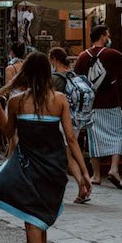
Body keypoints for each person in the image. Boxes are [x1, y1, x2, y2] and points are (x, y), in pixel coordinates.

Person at [0, 52, 91, 243]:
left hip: (28, 166)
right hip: (54, 167)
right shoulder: (60, 100)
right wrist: (84, 173)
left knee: (32, 222)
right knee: (40, 222)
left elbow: (9, 133)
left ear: (27, 74)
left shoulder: (17, 102)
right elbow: (71, 139)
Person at [75, 24, 122, 189]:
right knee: (117, 134)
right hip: (111, 103)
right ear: (103, 36)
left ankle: (96, 175)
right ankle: (114, 169)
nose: (108, 38)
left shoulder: (82, 56)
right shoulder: (111, 54)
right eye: (107, 35)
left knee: (94, 139)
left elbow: (76, 80)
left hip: (91, 105)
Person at [48, 46, 92, 205]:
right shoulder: (73, 75)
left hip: (63, 122)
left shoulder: (55, 79)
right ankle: (81, 185)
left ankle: (82, 185)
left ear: (53, 59)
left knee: (68, 156)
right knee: (69, 154)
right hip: (77, 120)